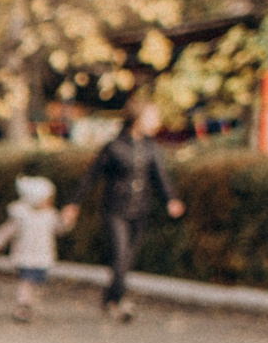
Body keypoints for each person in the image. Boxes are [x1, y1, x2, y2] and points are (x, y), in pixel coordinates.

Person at [63, 100, 183, 322]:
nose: (156, 123)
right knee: (119, 256)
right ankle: (117, 301)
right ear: (137, 119)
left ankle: (111, 298)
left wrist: (171, 200)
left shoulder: (151, 148)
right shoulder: (114, 147)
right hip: (115, 210)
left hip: (139, 210)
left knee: (127, 259)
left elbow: (160, 178)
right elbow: (91, 176)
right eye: (152, 117)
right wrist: (74, 203)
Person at [0, 176, 61, 323]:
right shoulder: (21, 215)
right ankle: (23, 305)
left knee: (38, 283)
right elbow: (7, 231)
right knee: (25, 281)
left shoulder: (50, 215)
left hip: (43, 256)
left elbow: (60, 229)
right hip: (24, 255)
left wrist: (68, 220)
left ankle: (31, 305)